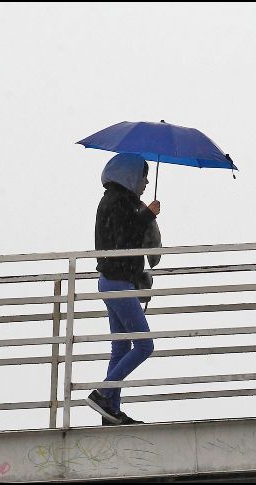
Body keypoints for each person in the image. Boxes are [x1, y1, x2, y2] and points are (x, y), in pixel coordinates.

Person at [85, 153, 161, 425]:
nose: (146, 182)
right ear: (131, 175)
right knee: (144, 345)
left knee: (120, 349)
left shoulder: (115, 201)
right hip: (117, 283)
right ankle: (103, 394)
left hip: (113, 281)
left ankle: (111, 413)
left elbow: (122, 246)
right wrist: (146, 216)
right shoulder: (118, 203)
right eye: (143, 176)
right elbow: (124, 240)